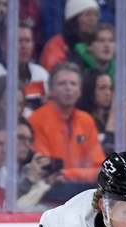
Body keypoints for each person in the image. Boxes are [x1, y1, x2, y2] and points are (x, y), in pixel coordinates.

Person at [28, 61, 107, 191]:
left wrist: (69, 174)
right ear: (51, 90)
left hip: (83, 188)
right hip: (49, 191)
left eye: (73, 84)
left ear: (79, 91)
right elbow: (48, 170)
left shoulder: (86, 120)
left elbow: (99, 169)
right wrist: (82, 174)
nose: (68, 88)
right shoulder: (37, 119)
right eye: (62, 83)